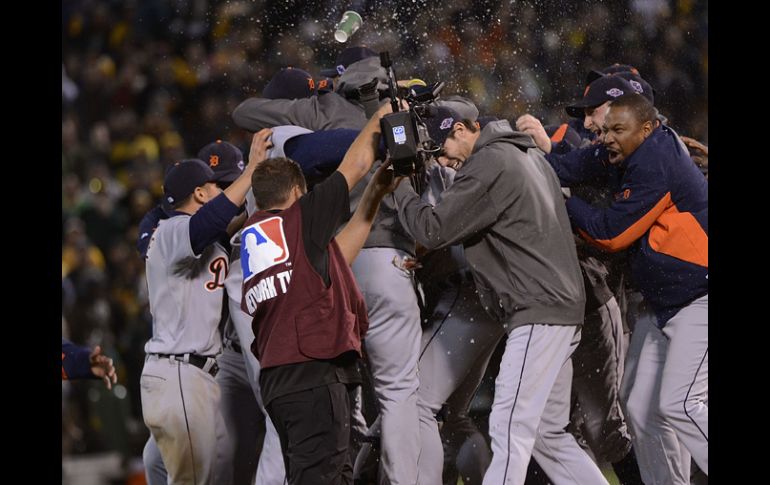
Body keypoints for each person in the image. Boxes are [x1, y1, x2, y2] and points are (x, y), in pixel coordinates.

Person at [393, 107, 607, 485]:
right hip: (563, 307)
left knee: (510, 427)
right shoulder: (525, 153)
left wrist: (400, 186)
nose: (443, 162)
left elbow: (432, 229)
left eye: (441, 151)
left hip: (539, 312)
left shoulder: (489, 161)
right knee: (547, 435)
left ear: (460, 129)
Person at [240, 103, 402, 484]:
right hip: (312, 376)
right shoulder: (299, 218)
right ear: (298, 191)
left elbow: (337, 256)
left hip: (283, 381)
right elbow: (356, 164)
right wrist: (382, 113)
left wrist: (374, 195)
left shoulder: (259, 234)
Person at [561, 93, 708, 485]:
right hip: (667, 303)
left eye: (616, 129)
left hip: (700, 297)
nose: (606, 137)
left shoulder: (655, 158)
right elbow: (568, 164)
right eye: (605, 128)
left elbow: (611, 234)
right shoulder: (629, 149)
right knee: (640, 408)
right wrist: (538, 164)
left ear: (647, 129)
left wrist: (566, 202)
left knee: (683, 403)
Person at [140, 129, 273, 485]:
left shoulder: (193, 234)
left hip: (192, 375)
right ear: (199, 193)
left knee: (200, 474)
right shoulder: (172, 231)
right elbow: (209, 222)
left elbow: (219, 226)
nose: (223, 191)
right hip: (180, 372)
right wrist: (251, 170)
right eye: (215, 186)